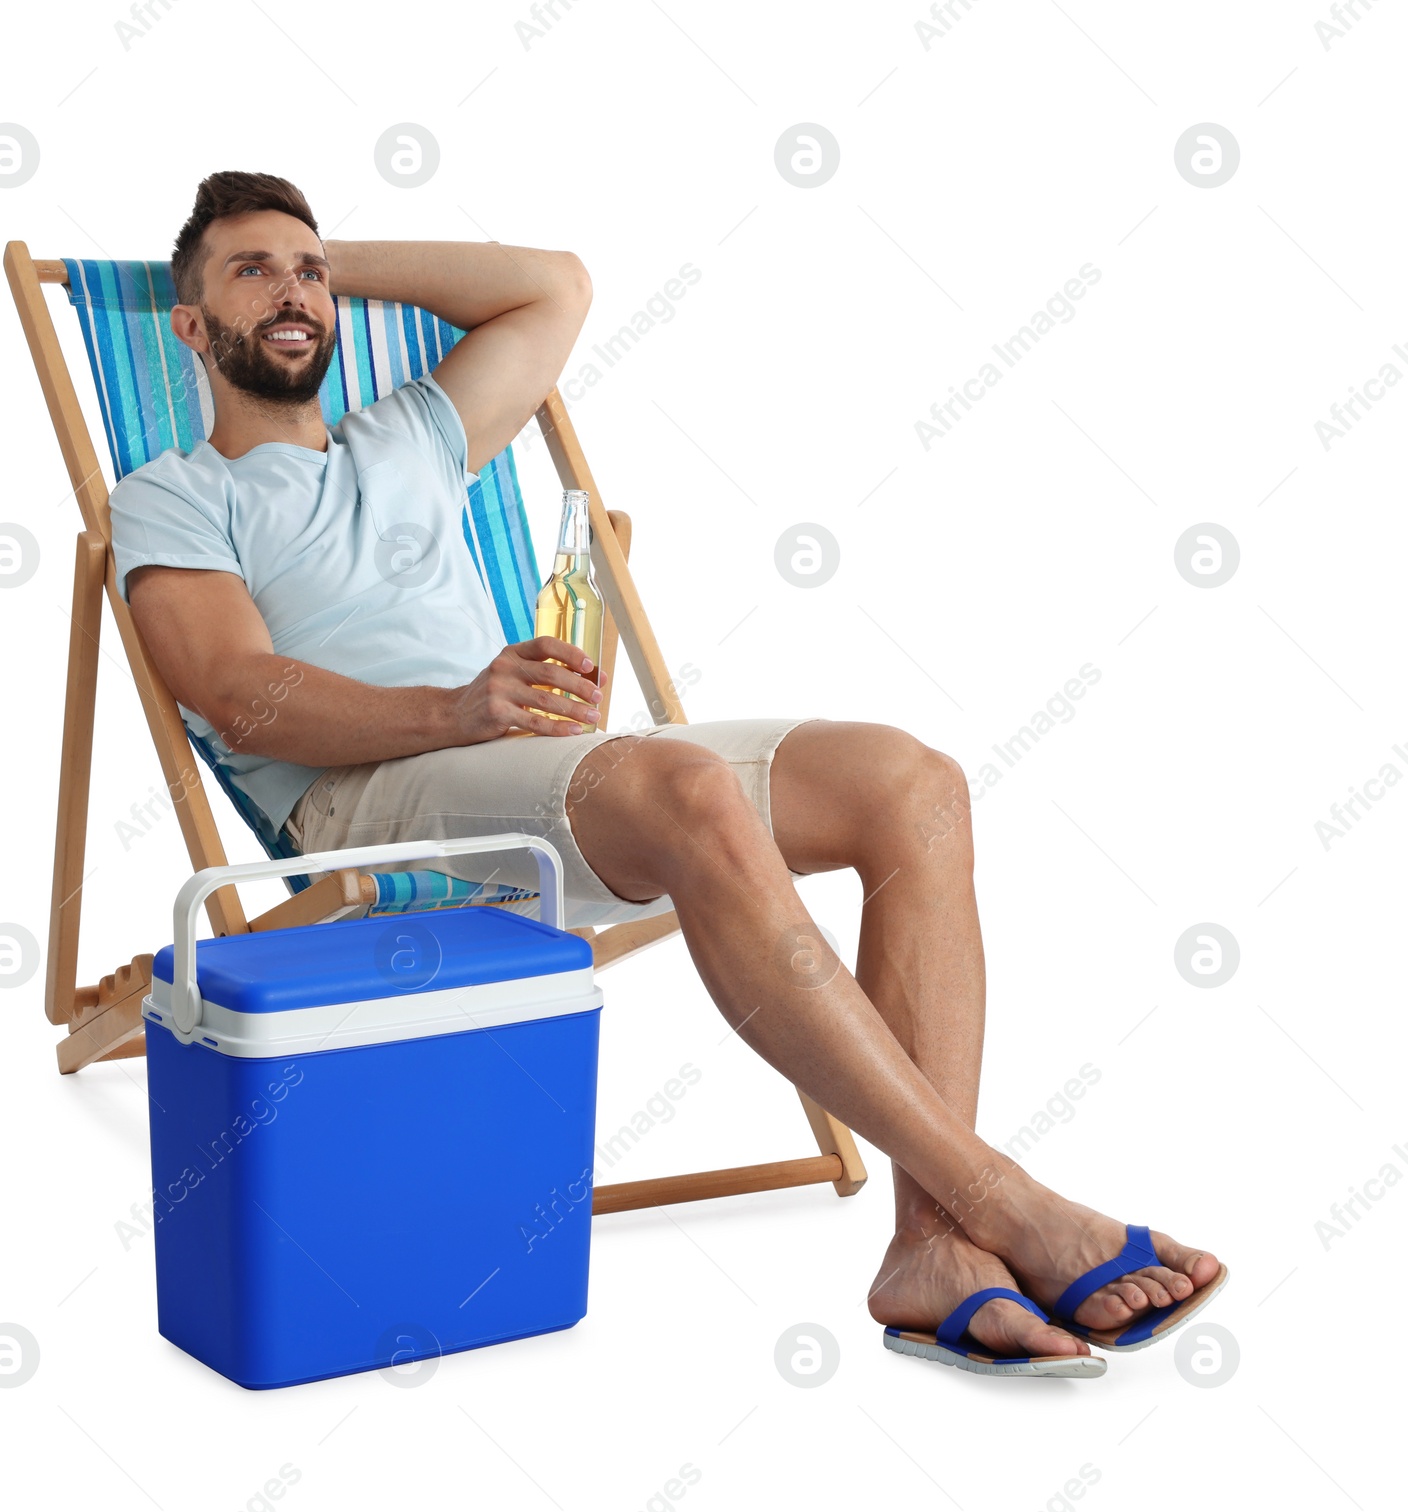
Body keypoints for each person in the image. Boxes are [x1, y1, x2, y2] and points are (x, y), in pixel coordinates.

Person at [110, 171, 1225, 1376]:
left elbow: (555, 287)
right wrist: (454, 707)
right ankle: (998, 1196)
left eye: (309, 272)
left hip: (535, 766)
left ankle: (933, 1249)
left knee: (913, 783)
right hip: (368, 810)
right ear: (186, 324)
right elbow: (236, 691)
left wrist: (313, 268)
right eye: (249, 272)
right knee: (685, 791)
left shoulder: (413, 435)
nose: (294, 292)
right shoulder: (176, 494)